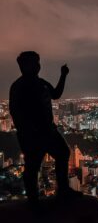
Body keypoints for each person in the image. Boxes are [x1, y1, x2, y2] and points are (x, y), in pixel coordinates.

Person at [9, 51, 82, 206]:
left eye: (37, 62)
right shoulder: (19, 87)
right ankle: (33, 201)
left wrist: (63, 75)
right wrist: (29, 132)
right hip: (32, 135)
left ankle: (63, 191)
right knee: (33, 167)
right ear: (24, 67)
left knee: (63, 153)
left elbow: (55, 94)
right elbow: (16, 113)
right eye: (33, 63)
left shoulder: (41, 83)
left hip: (48, 131)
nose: (37, 66)